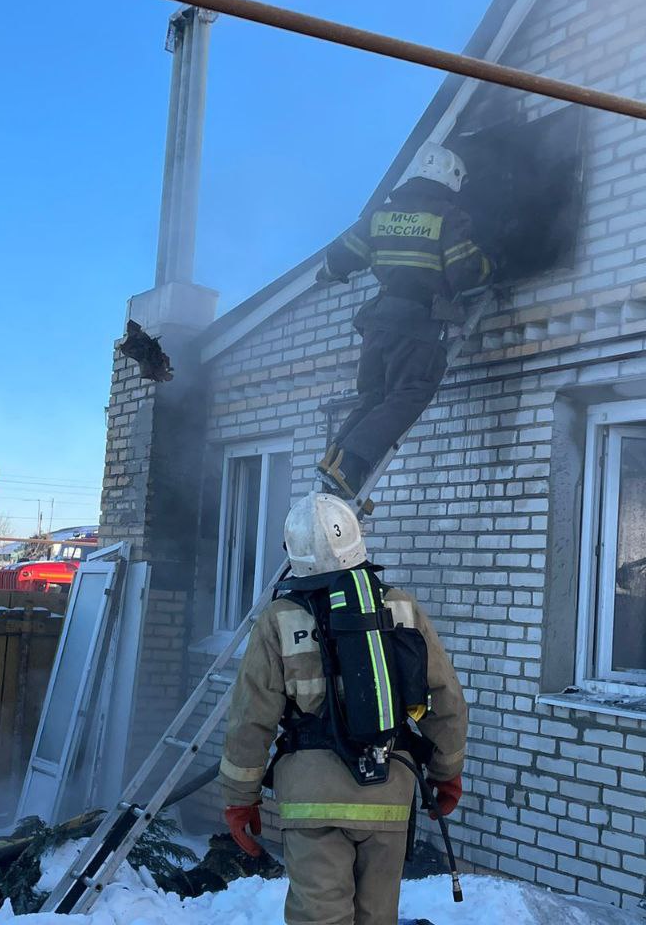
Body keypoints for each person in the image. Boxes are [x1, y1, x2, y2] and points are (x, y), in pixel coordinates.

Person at [219, 493, 468, 925]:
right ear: (358, 540)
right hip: (390, 793)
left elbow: (250, 719)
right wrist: (446, 774)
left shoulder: (280, 618)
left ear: (291, 553)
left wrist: (241, 799)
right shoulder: (402, 607)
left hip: (311, 802)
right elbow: (446, 701)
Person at [317, 142, 493, 500]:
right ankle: (352, 462)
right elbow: (464, 270)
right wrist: (492, 265)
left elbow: (342, 255)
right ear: (452, 180)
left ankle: (337, 462)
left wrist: (329, 271)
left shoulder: (381, 216)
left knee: (373, 396)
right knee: (409, 393)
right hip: (415, 322)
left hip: (377, 321)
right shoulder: (446, 216)